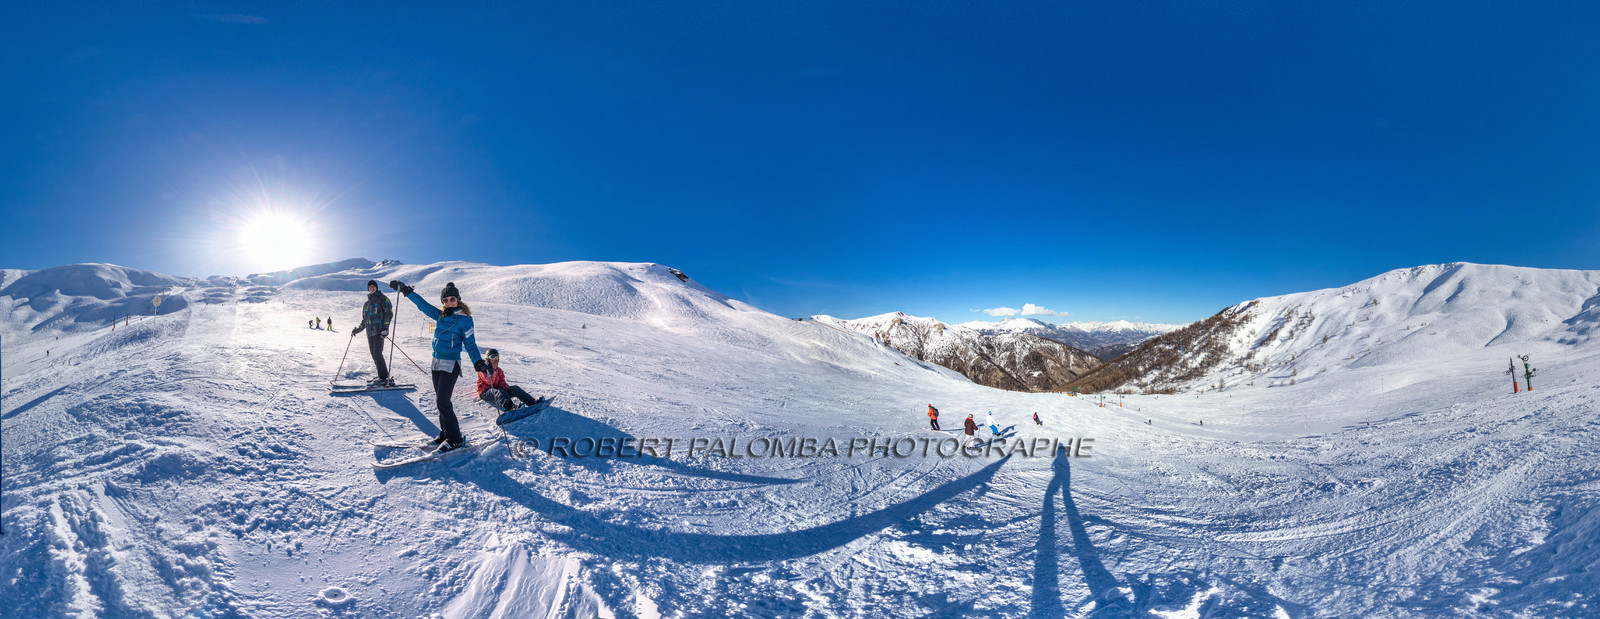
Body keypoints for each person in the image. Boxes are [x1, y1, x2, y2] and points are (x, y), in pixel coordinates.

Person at [391, 279, 486, 452]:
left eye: (452, 299)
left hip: (451, 364)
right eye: (446, 300)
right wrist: (406, 291)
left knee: (443, 401)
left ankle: (455, 440)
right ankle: (445, 434)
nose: (449, 302)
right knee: (440, 401)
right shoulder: (441, 315)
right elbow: (423, 305)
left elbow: (470, 344)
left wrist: (478, 362)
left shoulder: (465, 320)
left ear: (458, 300)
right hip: (436, 362)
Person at [351, 280, 394, 386]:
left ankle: (383, 378)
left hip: (379, 331)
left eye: (373, 286)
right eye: (370, 287)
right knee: (374, 354)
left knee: (378, 354)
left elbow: (388, 314)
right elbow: (364, 320)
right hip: (369, 333)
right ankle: (382, 375)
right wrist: (358, 330)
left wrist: (385, 328)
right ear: (368, 289)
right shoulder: (366, 304)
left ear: (376, 288)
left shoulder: (383, 299)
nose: (372, 288)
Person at [476, 349, 542, 411]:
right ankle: (510, 408)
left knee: (515, 389)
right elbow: (489, 381)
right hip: (485, 392)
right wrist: (490, 369)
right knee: (499, 392)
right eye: (493, 357)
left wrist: (505, 386)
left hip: (497, 390)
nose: (496, 359)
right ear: (488, 359)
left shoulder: (499, 370)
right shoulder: (483, 370)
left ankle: (532, 402)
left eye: (497, 357)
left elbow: (502, 381)